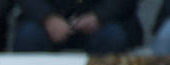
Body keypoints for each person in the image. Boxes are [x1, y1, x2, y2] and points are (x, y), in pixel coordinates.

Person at [11, 0, 143, 52]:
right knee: (28, 36)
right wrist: (48, 18)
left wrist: (99, 16)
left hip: (103, 22)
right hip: (49, 22)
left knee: (113, 37)